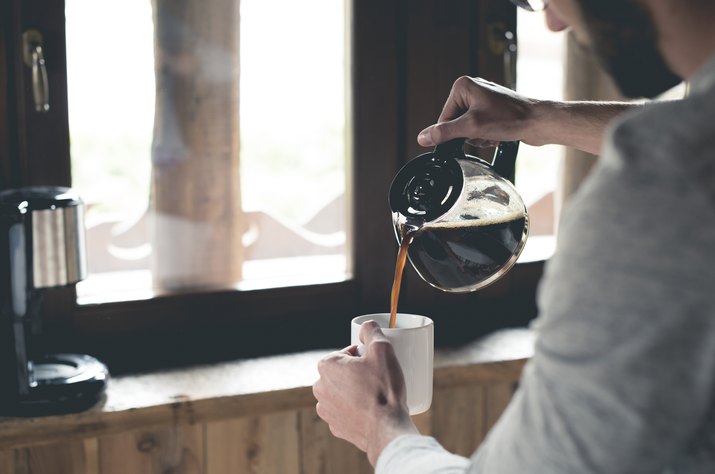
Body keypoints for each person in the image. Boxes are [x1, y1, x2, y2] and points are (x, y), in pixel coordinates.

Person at [313, 0, 715, 472]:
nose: (553, 21)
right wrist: (534, 118)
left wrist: (381, 430)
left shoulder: (659, 197)